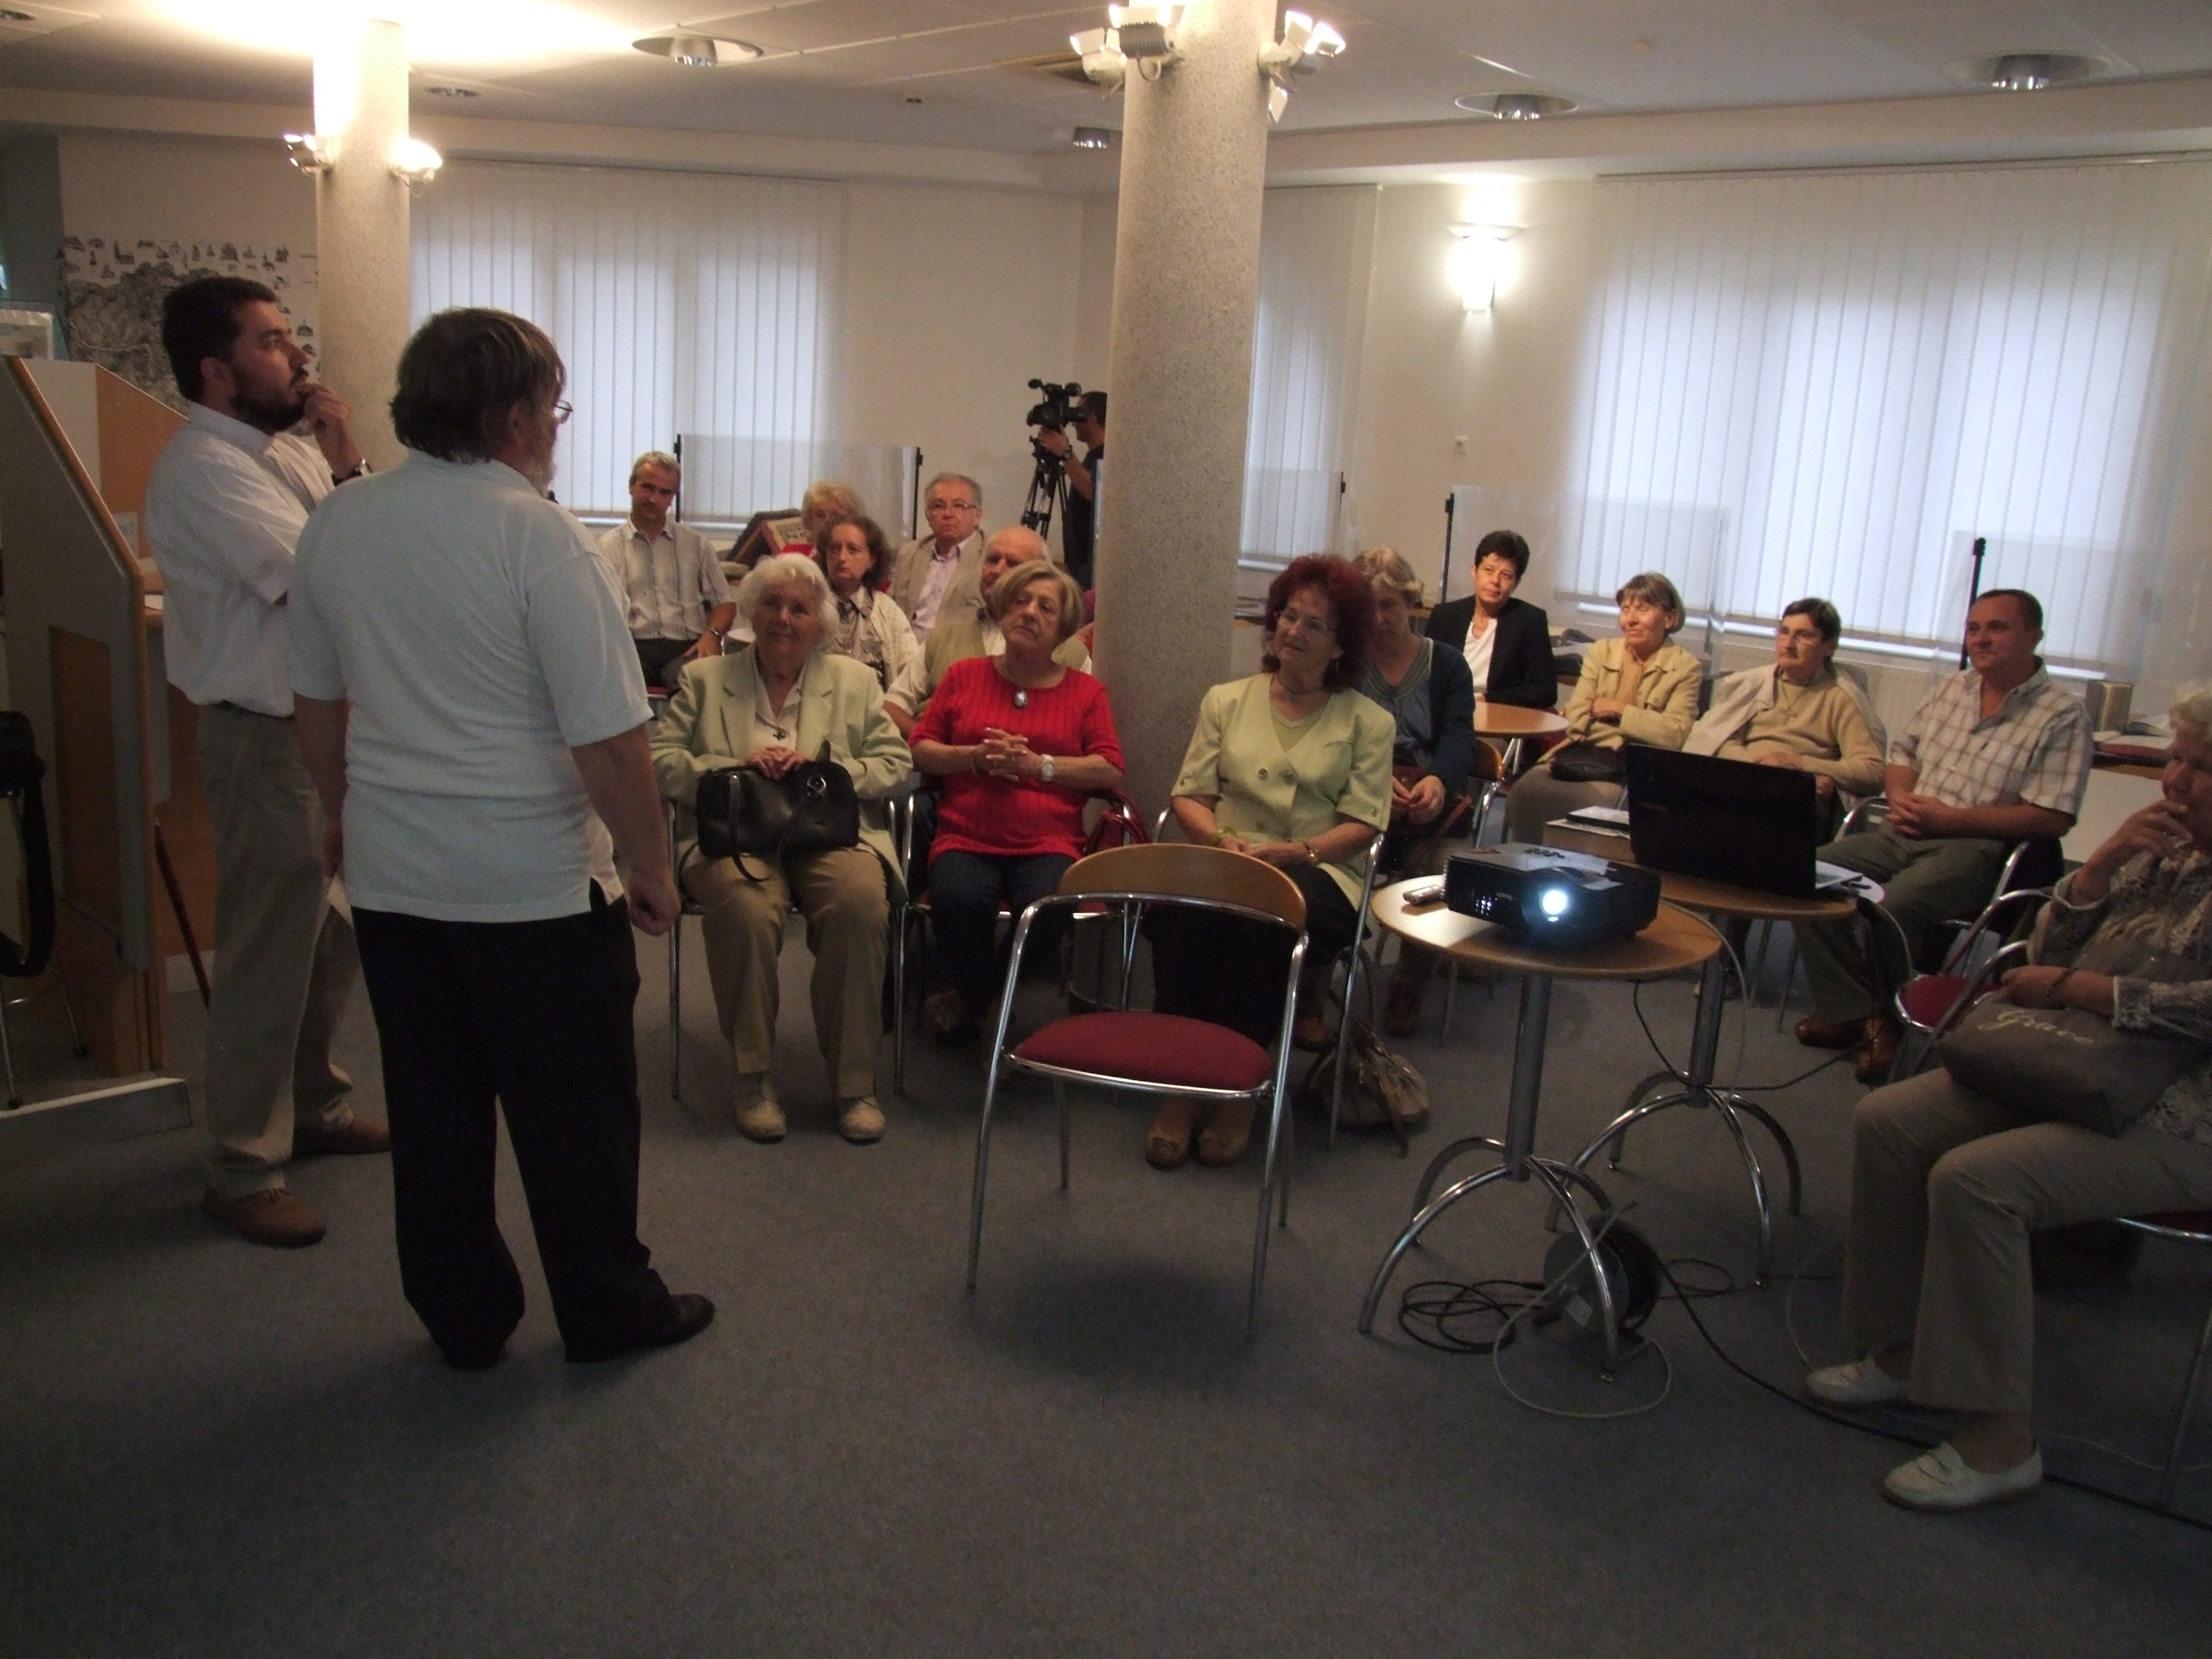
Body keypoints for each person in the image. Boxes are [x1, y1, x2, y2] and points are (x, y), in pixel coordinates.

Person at [290, 306, 712, 1369]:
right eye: (555, 411)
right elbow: (609, 739)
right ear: (516, 418)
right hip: (531, 889)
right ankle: (607, 1309)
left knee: (434, 1110)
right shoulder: (541, 536)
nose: (556, 431)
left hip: (394, 878)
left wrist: (341, 814)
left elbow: (318, 705)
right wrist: (650, 866)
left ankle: (464, 1316)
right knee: (577, 1120)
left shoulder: (340, 521)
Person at [1807, 685, 2212, 1511]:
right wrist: (2097, 869)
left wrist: (2086, 991)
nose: (2174, 782)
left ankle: (1999, 1440)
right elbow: (2044, 944)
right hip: (2081, 1068)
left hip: (2184, 1115)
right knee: (1889, 1122)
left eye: (2200, 769)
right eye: (2174, 759)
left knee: (1978, 1181)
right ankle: (1904, 1352)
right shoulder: (2168, 850)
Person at [143, 274, 384, 1250]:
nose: (298, 356)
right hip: (262, 736)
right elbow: (329, 585)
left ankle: (313, 1105)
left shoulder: (280, 452)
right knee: (268, 949)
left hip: (321, 732)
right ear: (216, 368)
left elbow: (353, 556)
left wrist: (347, 465)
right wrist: (350, 476)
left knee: (331, 936)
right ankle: (241, 1166)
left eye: (291, 338)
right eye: (273, 342)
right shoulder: (206, 469)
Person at [652, 554, 912, 1145]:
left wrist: (825, 771)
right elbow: (661, 761)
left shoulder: (855, 681)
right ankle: (754, 1079)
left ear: (820, 623)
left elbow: (897, 764)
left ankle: (854, 1084)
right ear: (751, 611)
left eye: (799, 608)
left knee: (859, 904)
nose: (784, 619)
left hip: (830, 833)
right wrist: (732, 767)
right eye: (771, 604)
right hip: (733, 834)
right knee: (745, 909)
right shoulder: (704, 679)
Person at [1150, 555, 1394, 1170]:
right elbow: (1189, 795)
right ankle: (1182, 1083)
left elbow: (1365, 823)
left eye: (1315, 624)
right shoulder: (1226, 700)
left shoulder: (1370, 722)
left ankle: (1241, 1087)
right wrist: (1217, 839)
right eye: (1288, 615)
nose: (1294, 630)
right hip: (1228, 854)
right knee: (1180, 914)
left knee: (1268, 924)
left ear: (1341, 644)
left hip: (1320, 869)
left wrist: (1301, 853)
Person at [1795, 589, 2092, 1081]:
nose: (1980, 639)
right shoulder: (1953, 688)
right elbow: (1902, 756)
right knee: (1804, 875)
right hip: (1906, 828)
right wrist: (1901, 798)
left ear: (2034, 636)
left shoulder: (2061, 714)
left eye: (1997, 628)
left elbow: (2051, 817)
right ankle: (1858, 1013)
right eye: (1974, 629)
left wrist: (1953, 820)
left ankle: (1883, 1024)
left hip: (1979, 845)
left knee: (1891, 907)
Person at [908, 561, 1124, 1043]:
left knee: (1048, 907)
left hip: (1049, 842)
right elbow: (920, 748)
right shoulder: (964, 676)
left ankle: (973, 1003)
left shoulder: (1085, 692)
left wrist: (1038, 766)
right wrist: (975, 758)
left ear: (1063, 630)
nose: (1029, 613)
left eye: (1045, 608)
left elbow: (1109, 768)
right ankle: (993, 1014)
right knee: (958, 900)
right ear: (1002, 612)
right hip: (966, 835)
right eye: (1021, 602)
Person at [1350, 548, 1478, 1038]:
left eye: (1388, 605)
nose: (1378, 618)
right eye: (1368, 607)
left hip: (1430, 806)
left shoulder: (1447, 665)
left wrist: (1438, 780)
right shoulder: (1346, 662)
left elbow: (1459, 737)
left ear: (1409, 603)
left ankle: (1410, 985)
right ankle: (1315, 983)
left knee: (1439, 870)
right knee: (1323, 858)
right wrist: (1372, 778)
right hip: (1359, 799)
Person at [1502, 571, 1701, 843]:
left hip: (1635, 770)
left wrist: (1618, 711)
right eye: (1626, 609)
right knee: (1526, 790)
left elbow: (1675, 735)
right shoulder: (1601, 652)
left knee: (1598, 802)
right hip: (1579, 755)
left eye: (1642, 610)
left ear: (1669, 618)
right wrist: (1638, 727)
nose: (1630, 620)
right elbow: (1575, 720)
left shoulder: (1685, 667)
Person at [883, 526, 1091, 739]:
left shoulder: (1071, 654)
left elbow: (1089, 734)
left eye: (1013, 564)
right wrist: (935, 746)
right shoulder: (945, 639)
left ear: (1042, 575)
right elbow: (892, 706)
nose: (998, 570)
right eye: (992, 560)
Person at [1685, 597, 1887, 814]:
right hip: (1741, 786)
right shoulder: (1753, 684)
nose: (1788, 644)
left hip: (1794, 803)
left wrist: (1799, 764)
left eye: (1804, 636)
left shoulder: (1840, 698)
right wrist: (1760, 771)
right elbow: (1720, 739)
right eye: (1784, 632)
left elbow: (1872, 772)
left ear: (1830, 646)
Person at [595, 450, 734, 694]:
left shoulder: (696, 544)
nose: (654, 499)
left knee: (695, 688)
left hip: (687, 647)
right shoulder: (605, 548)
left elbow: (725, 603)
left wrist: (712, 635)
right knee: (613, 689)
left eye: (664, 492)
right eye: (647, 488)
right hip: (631, 647)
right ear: (631, 486)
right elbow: (595, 610)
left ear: (673, 497)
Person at [1421, 529, 1558, 708]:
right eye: (1489, 570)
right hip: (1447, 712)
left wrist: (1488, 699)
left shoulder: (1530, 621)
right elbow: (1425, 676)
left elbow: (1545, 691)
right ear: (1474, 571)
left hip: (1498, 715)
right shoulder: (1445, 616)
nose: (1495, 581)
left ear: (1516, 583)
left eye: (1506, 575)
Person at [815, 512, 918, 694]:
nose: (842, 558)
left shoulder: (887, 611)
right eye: (834, 549)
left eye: (853, 550)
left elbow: (911, 673)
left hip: (877, 707)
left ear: (872, 560)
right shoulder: (811, 605)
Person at [890, 472, 987, 639]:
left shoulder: (990, 557)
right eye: (938, 506)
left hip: (959, 650)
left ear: (977, 516)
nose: (948, 514)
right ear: (928, 516)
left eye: (959, 506)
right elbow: (890, 610)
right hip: (906, 647)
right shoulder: (909, 553)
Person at [1034, 390, 1105, 590]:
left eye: (1077, 414)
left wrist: (1065, 453)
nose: (1073, 422)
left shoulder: (1107, 456)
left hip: (1091, 566)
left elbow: (1094, 493)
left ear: (1091, 418)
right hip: (1079, 565)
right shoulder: (1093, 456)